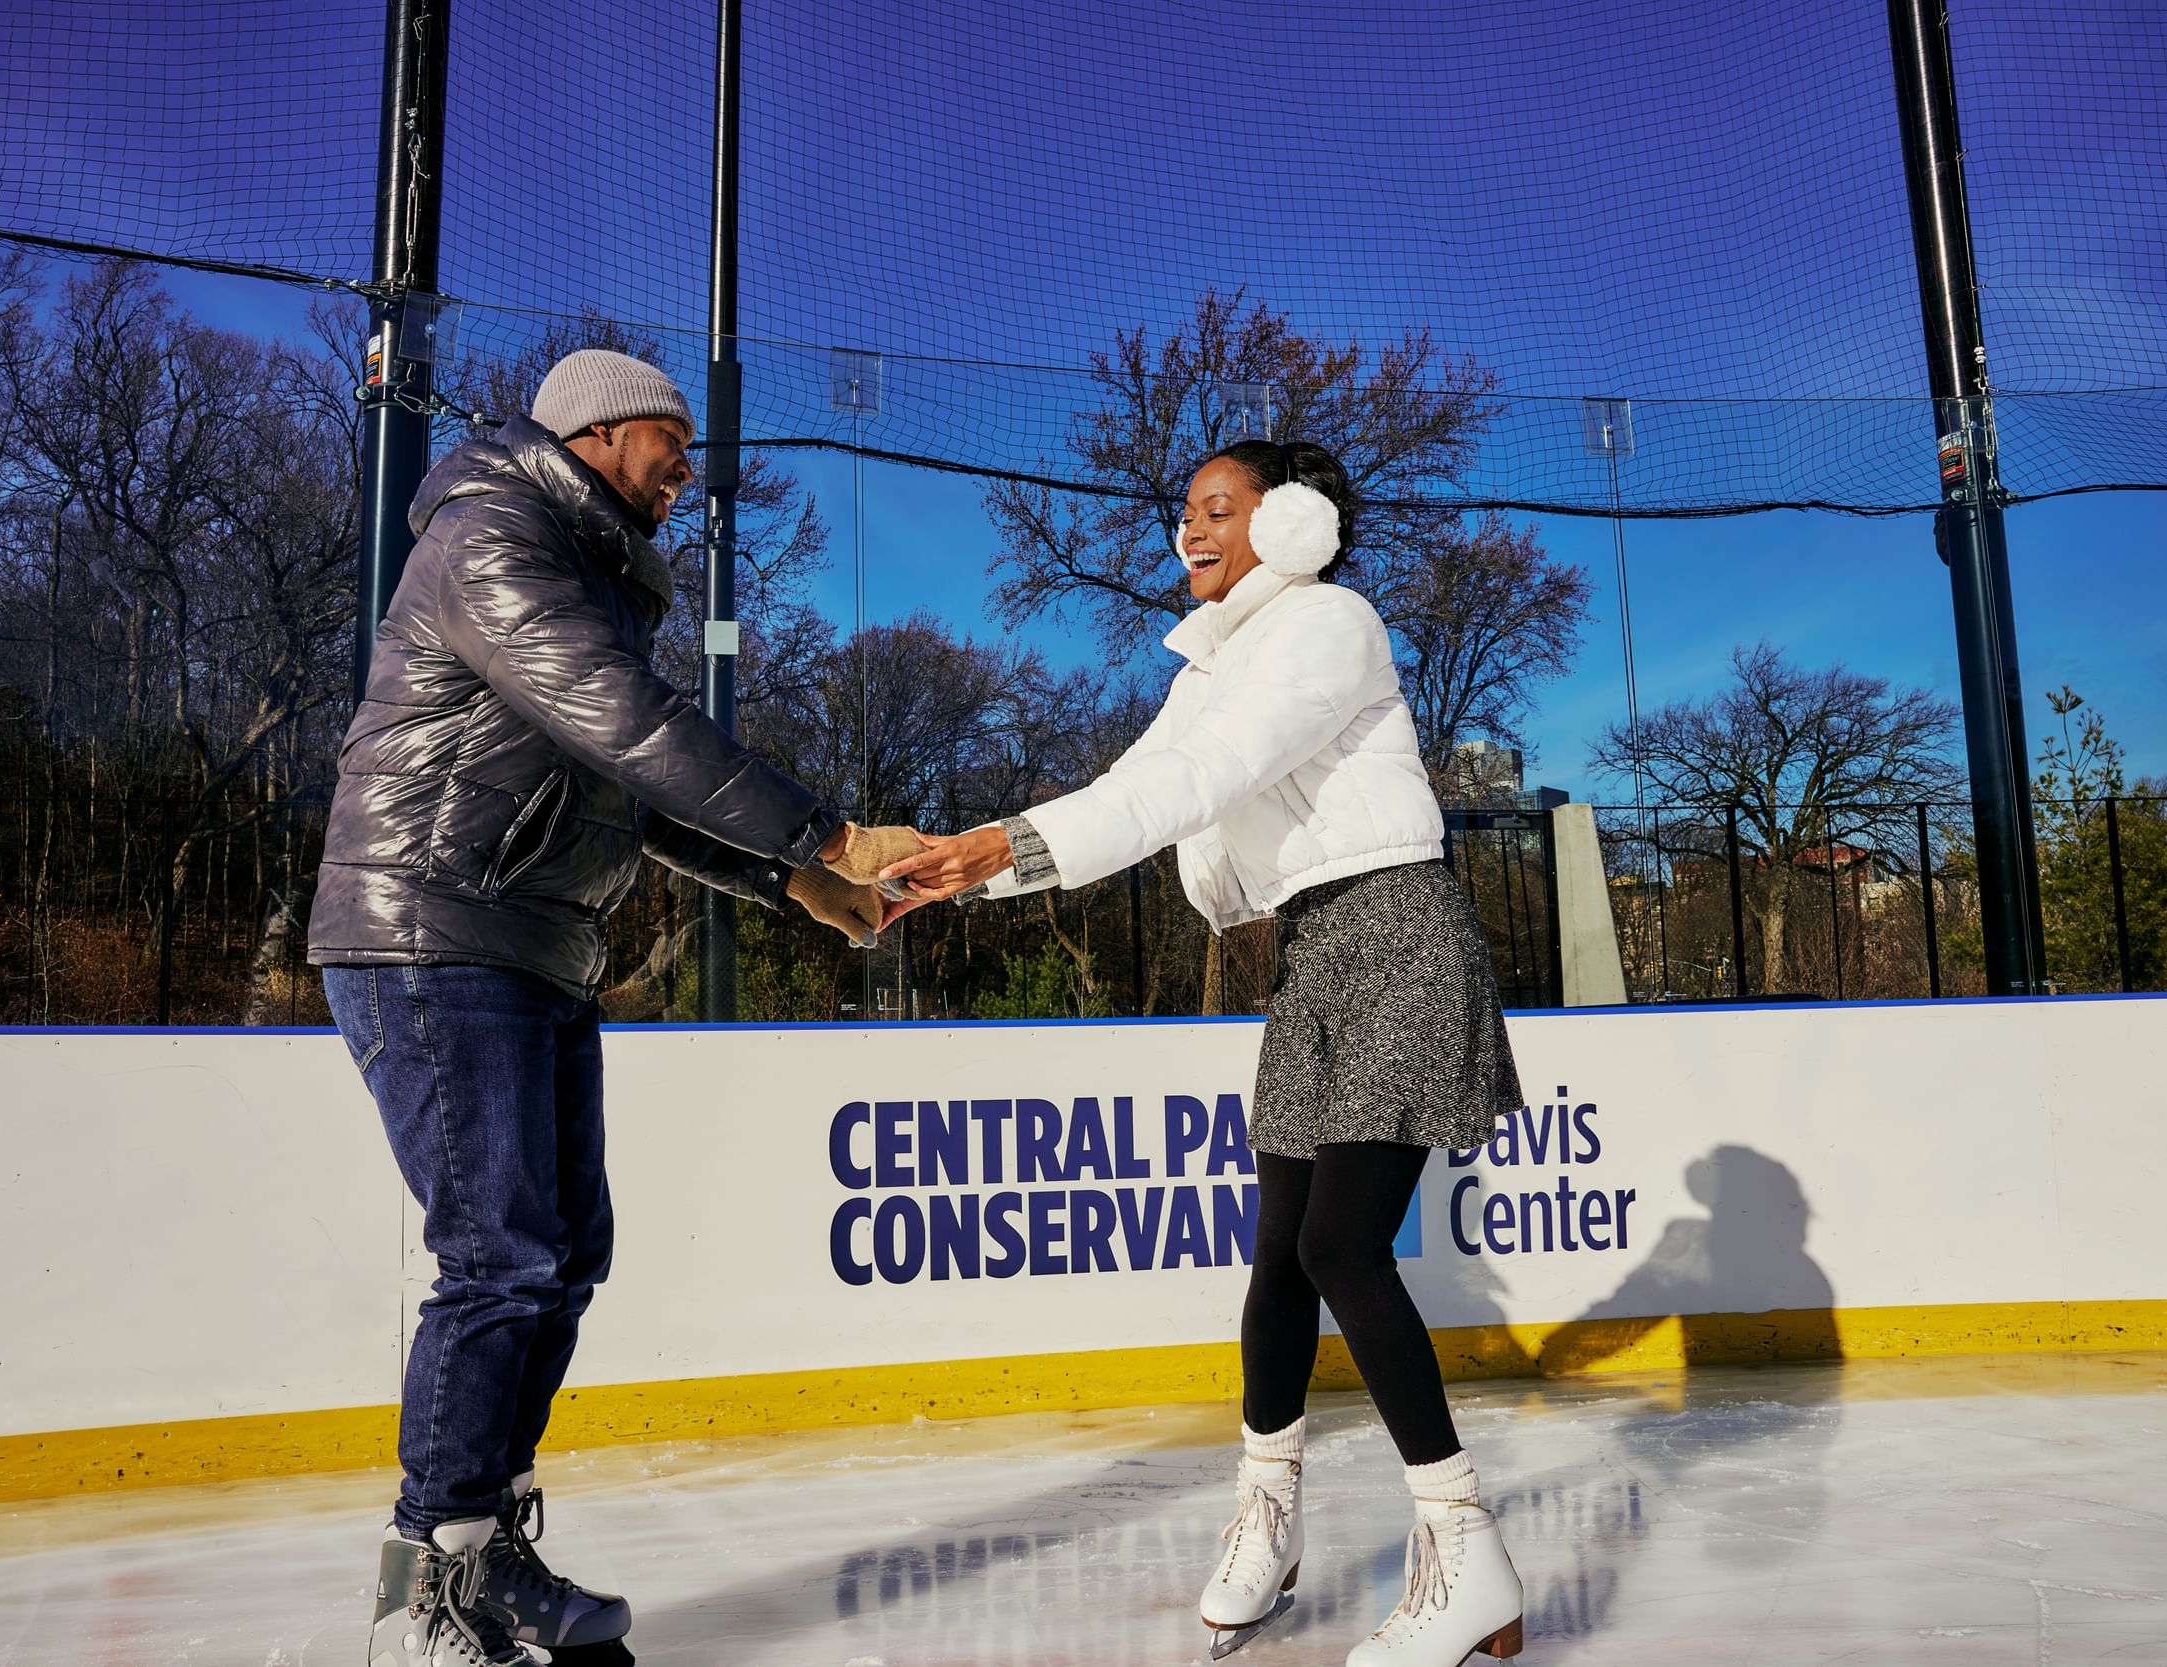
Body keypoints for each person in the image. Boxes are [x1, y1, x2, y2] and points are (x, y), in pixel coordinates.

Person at [308, 349, 921, 1667]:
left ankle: (488, 1549)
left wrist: (791, 879)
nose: (685, 471)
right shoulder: (490, 539)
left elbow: (624, 786)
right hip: (429, 924)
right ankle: (423, 1588)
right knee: (499, 1246)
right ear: (595, 432)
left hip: (535, 943)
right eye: (670, 441)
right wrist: (835, 832)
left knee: (563, 1247)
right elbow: (627, 721)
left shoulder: (587, 574)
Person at [884, 440, 1526, 1666]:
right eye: (1183, 511)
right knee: (1279, 1252)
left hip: (1395, 926)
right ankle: (1269, 1512)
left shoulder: (1330, 621)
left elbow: (1206, 776)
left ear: (1289, 523)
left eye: (1218, 509)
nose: (1190, 528)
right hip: (1314, 940)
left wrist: (996, 847)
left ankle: (1463, 1544)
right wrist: (974, 868)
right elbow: (1142, 780)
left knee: (1339, 1241)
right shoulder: (1214, 662)